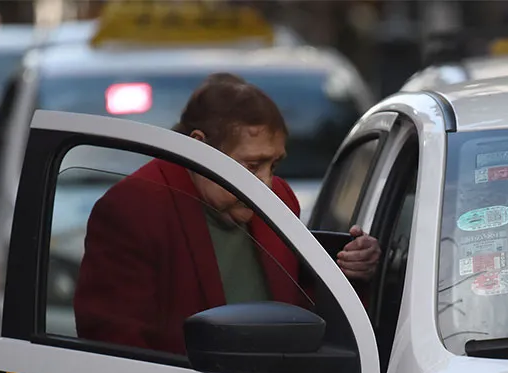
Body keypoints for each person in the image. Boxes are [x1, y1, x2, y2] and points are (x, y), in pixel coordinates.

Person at [74, 73, 380, 355]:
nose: (266, 182)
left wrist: (352, 267)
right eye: (251, 165)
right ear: (199, 149)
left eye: (273, 165)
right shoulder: (133, 207)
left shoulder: (278, 198)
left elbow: (301, 309)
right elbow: (115, 347)